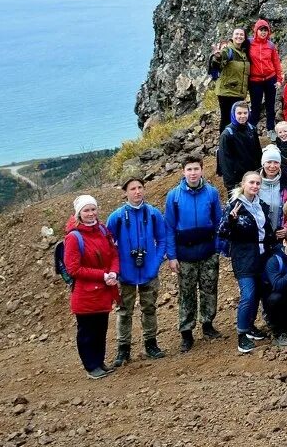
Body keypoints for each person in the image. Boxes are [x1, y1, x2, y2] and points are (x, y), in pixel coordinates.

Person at [163, 157, 224, 352]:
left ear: (202, 170)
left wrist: (217, 247)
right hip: (185, 254)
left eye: (196, 169)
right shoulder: (174, 196)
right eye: (189, 169)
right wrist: (172, 256)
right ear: (183, 172)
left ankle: (207, 324)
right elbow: (170, 228)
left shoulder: (212, 193)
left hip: (208, 252)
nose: (193, 173)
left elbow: (218, 223)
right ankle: (186, 333)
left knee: (209, 290)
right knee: (187, 294)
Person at [105, 177, 167, 366]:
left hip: (149, 271)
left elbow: (162, 239)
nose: (137, 192)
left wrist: (155, 263)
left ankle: (151, 344)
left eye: (140, 187)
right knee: (124, 311)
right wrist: (116, 269)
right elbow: (108, 244)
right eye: (133, 188)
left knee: (149, 308)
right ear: (125, 192)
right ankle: (123, 350)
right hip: (126, 273)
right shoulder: (117, 216)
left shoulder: (154, 213)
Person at [63, 195, 120, 379]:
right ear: (79, 213)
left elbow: (113, 255)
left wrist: (114, 272)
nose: (91, 213)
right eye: (86, 210)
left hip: (103, 291)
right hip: (85, 295)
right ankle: (91, 366)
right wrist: (103, 275)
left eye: (93, 209)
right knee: (87, 332)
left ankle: (99, 362)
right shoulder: (74, 237)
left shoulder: (103, 230)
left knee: (101, 329)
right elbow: (73, 269)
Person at [219, 171, 274, 353]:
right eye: (251, 182)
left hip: (261, 255)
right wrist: (231, 220)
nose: (255, 186)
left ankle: (250, 327)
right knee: (248, 294)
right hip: (243, 256)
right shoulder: (234, 205)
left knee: (258, 292)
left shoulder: (261, 205)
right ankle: (242, 334)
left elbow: (265, 230)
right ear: (243, 184)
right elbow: (222, 232)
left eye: (258, 183)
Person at [210, 27, 250, 134]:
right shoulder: (228, 50)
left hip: (238, 92)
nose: (239, 36)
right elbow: (221, 57)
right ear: (232, 37)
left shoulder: (244, 53)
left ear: (245, 37)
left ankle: (234, 143)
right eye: (236, 34)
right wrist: (217, 57)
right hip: (226, 92)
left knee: (236, 119)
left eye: (241, 34)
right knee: (227, 119)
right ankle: (223, 146)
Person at [246, 19, 283, 131]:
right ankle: (251, 130)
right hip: (255, 80)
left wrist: (279, 79)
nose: (263, 32)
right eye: (261, 30)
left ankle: (270, 130)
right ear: (256, 30)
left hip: (270, 79)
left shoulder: (271, 45)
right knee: (255, 106)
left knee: (270, 106)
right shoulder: (249, 43)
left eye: (265, 30)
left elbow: (276, 63)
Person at [216, 100, 262, 190]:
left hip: (253, 177)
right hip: (237, 181)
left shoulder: (252, 129)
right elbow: (225, 162)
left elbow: (258, 152)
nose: (243, 116)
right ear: (233, 114)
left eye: (245, 113)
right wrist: (230, 186)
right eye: (239, 113)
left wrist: (260, 172)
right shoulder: (227, 134)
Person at [258, 145, 287, 240]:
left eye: (276, 162)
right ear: (263, 163)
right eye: (269, 162)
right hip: (259, 236)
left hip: (282, 235)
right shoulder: (254, 182)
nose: (272, 166)